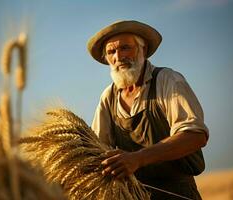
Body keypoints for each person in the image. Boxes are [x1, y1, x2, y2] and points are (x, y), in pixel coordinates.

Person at [88, 20, 209, 199]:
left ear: (142, 50)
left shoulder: (167, 80)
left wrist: (138, 158)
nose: (118, 57)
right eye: (111, 52)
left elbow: (195, 136)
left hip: (178, 195)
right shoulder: (108, 97)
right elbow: (97, 149)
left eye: (125, 48)